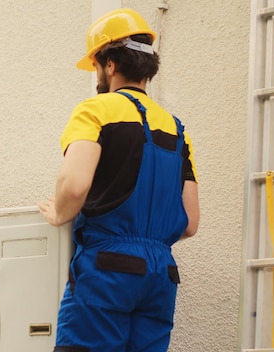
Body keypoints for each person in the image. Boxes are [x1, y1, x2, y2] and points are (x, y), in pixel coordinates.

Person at [38, 8, 200, 352]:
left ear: (109, 64)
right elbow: (190, 224)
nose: (97, 73)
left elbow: (75, 184)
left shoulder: (95, 110)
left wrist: (59, 214)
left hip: (107, 268)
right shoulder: (177, 130)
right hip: (161, 276)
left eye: (96, 64)